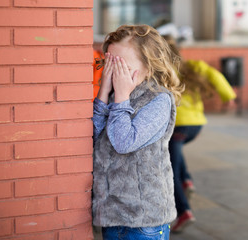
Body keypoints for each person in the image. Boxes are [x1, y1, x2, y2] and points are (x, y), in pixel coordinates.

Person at [92, 24, 184, 240]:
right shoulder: (115, 95)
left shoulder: (158, 100)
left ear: (149, 66)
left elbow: (124, 142)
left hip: (144, 220)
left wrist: (121, 96)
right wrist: (104, 93)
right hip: (111, 215)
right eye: (109, 64)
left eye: (122, 65)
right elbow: (92, 137)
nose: (114, 72)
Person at [163, 36, 237, 233]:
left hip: (178, 127)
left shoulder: (163, 72)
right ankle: (187, 179)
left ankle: (184, 211)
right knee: (174, 154)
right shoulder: (194, 67)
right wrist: (228, 96)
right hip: (195, 126)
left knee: (169, 171)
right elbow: (216, 76)